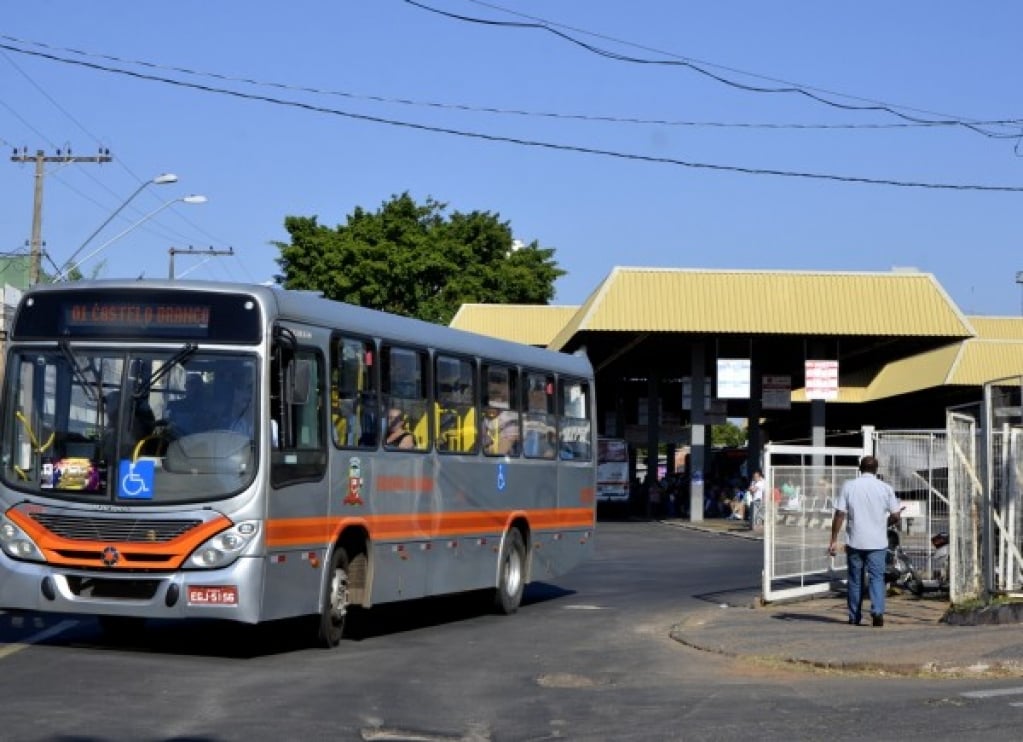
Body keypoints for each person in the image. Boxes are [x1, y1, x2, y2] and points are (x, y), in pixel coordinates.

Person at [829, 455, 902, 627]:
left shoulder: (849, 486)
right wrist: (884, 523)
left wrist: (833, 539)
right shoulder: (885, 488)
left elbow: (839, 514)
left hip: (855, 541)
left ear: (860, 468)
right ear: (876, 470)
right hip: (877, 542)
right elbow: (896, 516)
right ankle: (877, 611)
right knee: (877, 577)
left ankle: (855, 616)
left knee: (855, 579)